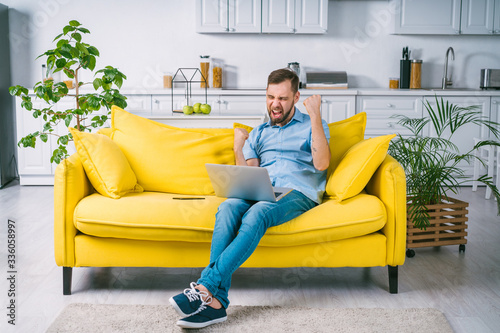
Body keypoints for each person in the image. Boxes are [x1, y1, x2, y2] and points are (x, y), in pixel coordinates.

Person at [169, 68, 331, 329]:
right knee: (228, 207)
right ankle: (216, 304)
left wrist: (315, 115)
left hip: (298, 192)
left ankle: (205, 287)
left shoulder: (314, 124)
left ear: (296, 97)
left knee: (258, 212)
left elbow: (322, 164)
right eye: (270, 97)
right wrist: (237, 147)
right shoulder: (258, 132)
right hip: (264, 190)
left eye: (282, 98)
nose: (275, 104)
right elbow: (250, 175)